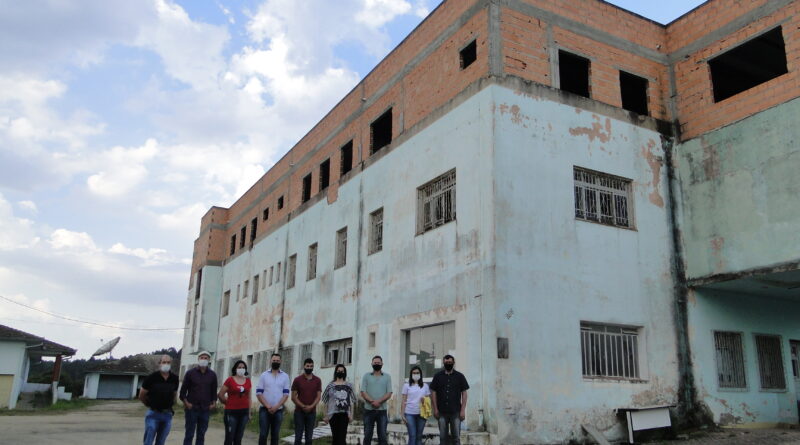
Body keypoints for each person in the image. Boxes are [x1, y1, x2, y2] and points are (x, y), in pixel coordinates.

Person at [139, 354, 179, 445]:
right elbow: (141, 395)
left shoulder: (175, 378)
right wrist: (149, 404)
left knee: (161, 441)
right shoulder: (151, 378)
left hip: (167, 415)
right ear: (159, 364)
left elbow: (174, 394)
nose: (166, 364)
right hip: (153, 414)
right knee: (148, 441)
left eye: (168, 362)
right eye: (164, 362)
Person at [179, 351, 218, 445]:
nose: (203, 360)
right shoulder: (190, 373)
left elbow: (214, 391)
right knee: (189, 434)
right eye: (202, 358)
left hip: (205, 409)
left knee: (201, 435)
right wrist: (186, 403)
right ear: (198, 359)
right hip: (192, 408)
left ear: (209, 360)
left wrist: (214, 403)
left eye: (206, 358)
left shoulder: (212, 375)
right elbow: (183, 391)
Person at [429, 355, 469, 445]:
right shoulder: (437, 376)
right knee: (443, 438)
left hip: (456, 412)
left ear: (453, 363)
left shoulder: (460, 376)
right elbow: (433, 393)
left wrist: (463, 410)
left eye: (450, 362)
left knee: (456, 438)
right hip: (442, 412)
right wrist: (435, 409)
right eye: (446, 363)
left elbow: (464, 393)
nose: (448, 364)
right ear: (443, 363)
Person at [256, 353, 291, 445]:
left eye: (277, 361)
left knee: (275, 435)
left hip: (278, 410)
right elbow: (259, 393)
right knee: (263, 434)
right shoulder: (264, 375)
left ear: (281, 361)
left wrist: (276, 407)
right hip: (264, 410)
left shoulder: (285, 376)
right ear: (270, 361)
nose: (275, 362)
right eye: (274, 360)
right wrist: (268, 406)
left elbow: (286, 394)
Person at [360, 355, 392, 445]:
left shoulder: (387, 377)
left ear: (382, 364)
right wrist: (372, 402)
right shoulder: (366, 376)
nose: (377, 364)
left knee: (382, 437)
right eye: (375, 363)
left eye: (378, 363)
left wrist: (379, 402)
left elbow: (389, 393)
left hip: (382, 411)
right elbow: (363, 392)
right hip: (368, 411)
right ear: (371, 364)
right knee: (367, 436)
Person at [218, 360, 252, 445]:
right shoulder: (230, 380)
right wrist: (227, 402)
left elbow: (249, 398)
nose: (241, 369)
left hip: (244, 413)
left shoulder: (248, 381)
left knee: (238, 438)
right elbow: (220, 394)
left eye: (243, 367)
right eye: (239, 367)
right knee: (230, 437)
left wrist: (249, 412)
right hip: (231, 413)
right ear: (235, 369)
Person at [321, 364, 356, 445]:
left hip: (344, 414)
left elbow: (352, 401)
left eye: (342, 371)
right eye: (338, 371)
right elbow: (325, 401)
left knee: (342, 438)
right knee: (335, 438)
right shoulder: (330, 386)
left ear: (345, 373)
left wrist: (351, 415)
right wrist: (325, 415)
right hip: (332, 415)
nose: (340, 372)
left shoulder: (349, 386)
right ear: (336, 372)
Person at [291, 358, 322, 445]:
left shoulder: (317, 380)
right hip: (299, 412)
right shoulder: (297, 380)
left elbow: (318, 396)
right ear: (304, 366)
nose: (309, 368)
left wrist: (311, 406)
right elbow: (293, 397)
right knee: (298, 437)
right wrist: (303, 406)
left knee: (309, 438)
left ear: (313, 367)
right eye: (307, 366)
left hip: (312, 412)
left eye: (311, 366)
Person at [401, 366, 430, 445]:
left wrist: (424, 400)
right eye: (414, 373)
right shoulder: (406, 385)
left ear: (420, 374)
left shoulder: (425, 386)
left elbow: (428, 401)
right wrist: (402, 414)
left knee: (419, 436)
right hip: (409, 413)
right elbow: (403, 400)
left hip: (422, 414)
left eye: (417, 373)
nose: (416, 374)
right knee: (412, 436)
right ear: (411, 374)